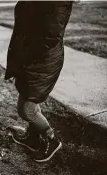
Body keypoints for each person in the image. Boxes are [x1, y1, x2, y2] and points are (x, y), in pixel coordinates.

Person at [5, 1, 73, 162]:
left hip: (41, 61)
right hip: (30, 59)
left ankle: (51, 139)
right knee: (28, 100)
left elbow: (50, 35)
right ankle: (32, 137)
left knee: (27, 110)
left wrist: (24, 57)